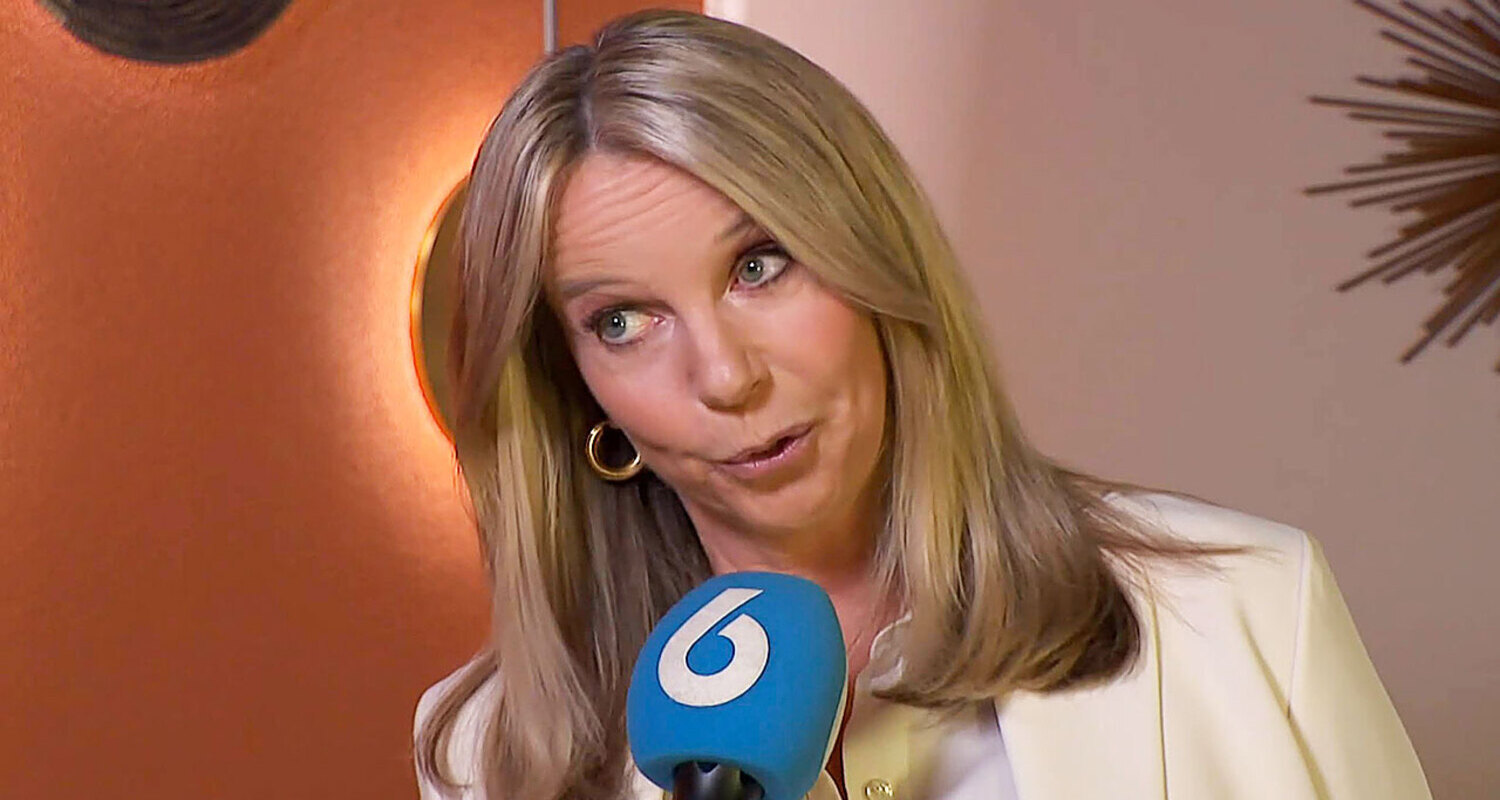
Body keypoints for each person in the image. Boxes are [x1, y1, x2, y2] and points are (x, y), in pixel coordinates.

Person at [413, 10, 1431, 800]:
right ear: (573, 388)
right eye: (624, 321)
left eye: (761, 264)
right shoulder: (486, 751)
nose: (724, 377)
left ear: (876, 263)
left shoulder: (1251, 613)